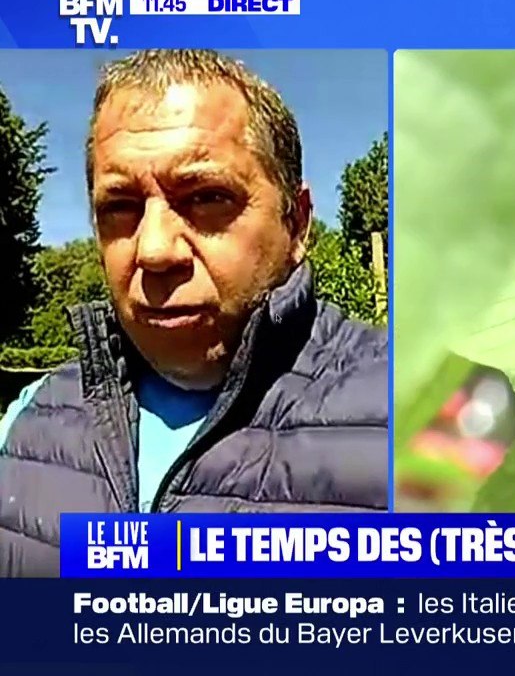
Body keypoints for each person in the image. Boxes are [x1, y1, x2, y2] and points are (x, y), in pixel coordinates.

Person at [0, 49, 389, 577]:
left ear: (296, 223)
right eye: (119, 207)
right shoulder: (31, 419)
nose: (155, 250)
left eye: (206, 197)